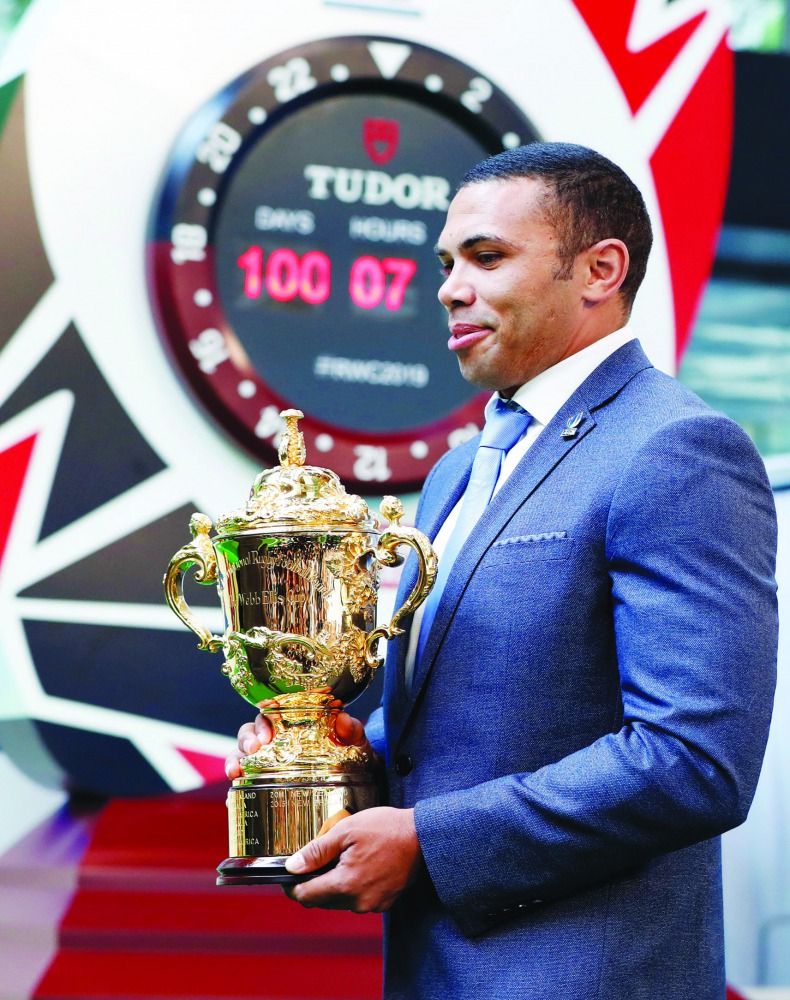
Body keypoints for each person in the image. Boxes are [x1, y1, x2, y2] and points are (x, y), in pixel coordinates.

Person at [226, 142, 778, 999]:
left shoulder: (678, 449)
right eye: (446, 263)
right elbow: (473, 734)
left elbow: (693, 759)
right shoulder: (457, 471)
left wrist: (427, 843)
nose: (449, 287)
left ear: (599, 270)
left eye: (487, 258)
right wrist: (336, 757)